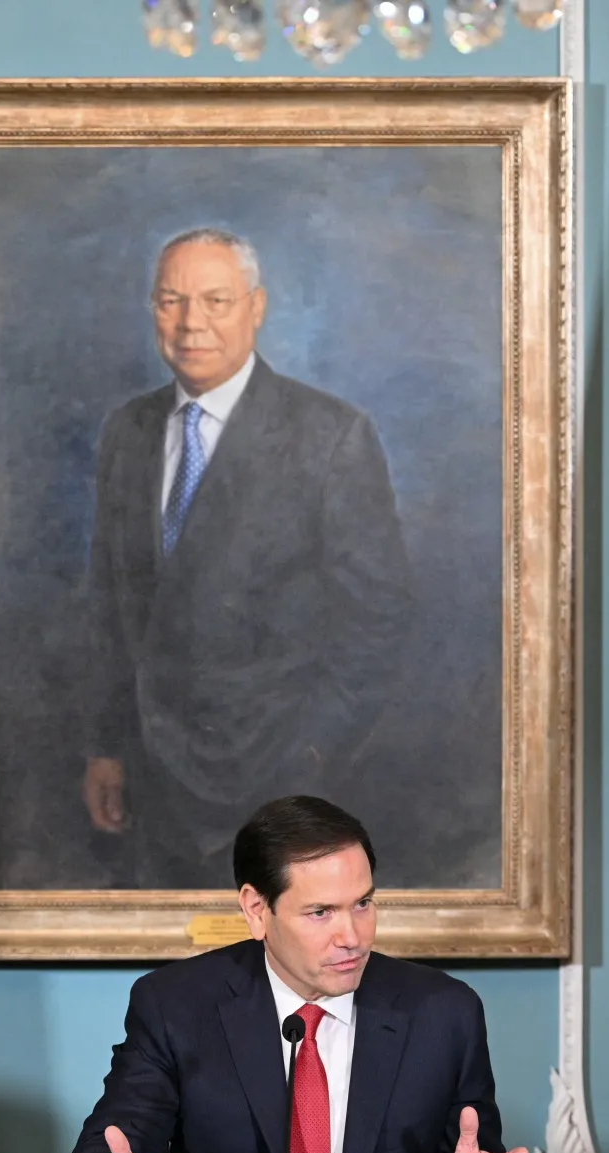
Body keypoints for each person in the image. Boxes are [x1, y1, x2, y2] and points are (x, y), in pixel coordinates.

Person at [80, 227, 413, 887]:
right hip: (150, 784)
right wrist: (107, 748)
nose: (190, 323)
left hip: (277, 784)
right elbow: (109, 607)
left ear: (256, 308)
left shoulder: (329, 436)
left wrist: (311, 754)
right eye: (171, 301)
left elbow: (379, 618)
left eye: (215, 301)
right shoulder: (129, 431)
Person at [64, 795, 532, 1153]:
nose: (351, 936)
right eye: (321, 912)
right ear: (256, 910)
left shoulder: (444, 1013)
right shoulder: (176, 1006)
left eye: (363, 904)